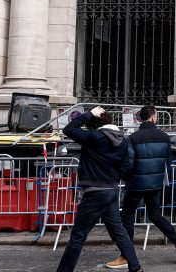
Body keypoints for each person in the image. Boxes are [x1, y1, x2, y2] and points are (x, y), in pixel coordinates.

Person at [57, 106, 142, 272]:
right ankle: (135, 267)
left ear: (92, 123)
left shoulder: (94, 136)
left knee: (78, 236)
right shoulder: (123, 140)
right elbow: (125, 168)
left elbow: (69, 129)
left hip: (94, 192)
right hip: (111, 189)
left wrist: (87, 114)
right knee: (119, 231)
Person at [106, 105, 176, 269]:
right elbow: (168, 163)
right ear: (154, 117)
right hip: (155, 184)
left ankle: (126, 255)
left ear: (140, 118)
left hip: (135, 184)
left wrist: (125, 177)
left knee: (128, 217)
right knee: (155, 215)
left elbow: (129, 163)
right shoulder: (164, 137)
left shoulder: (133, 138)